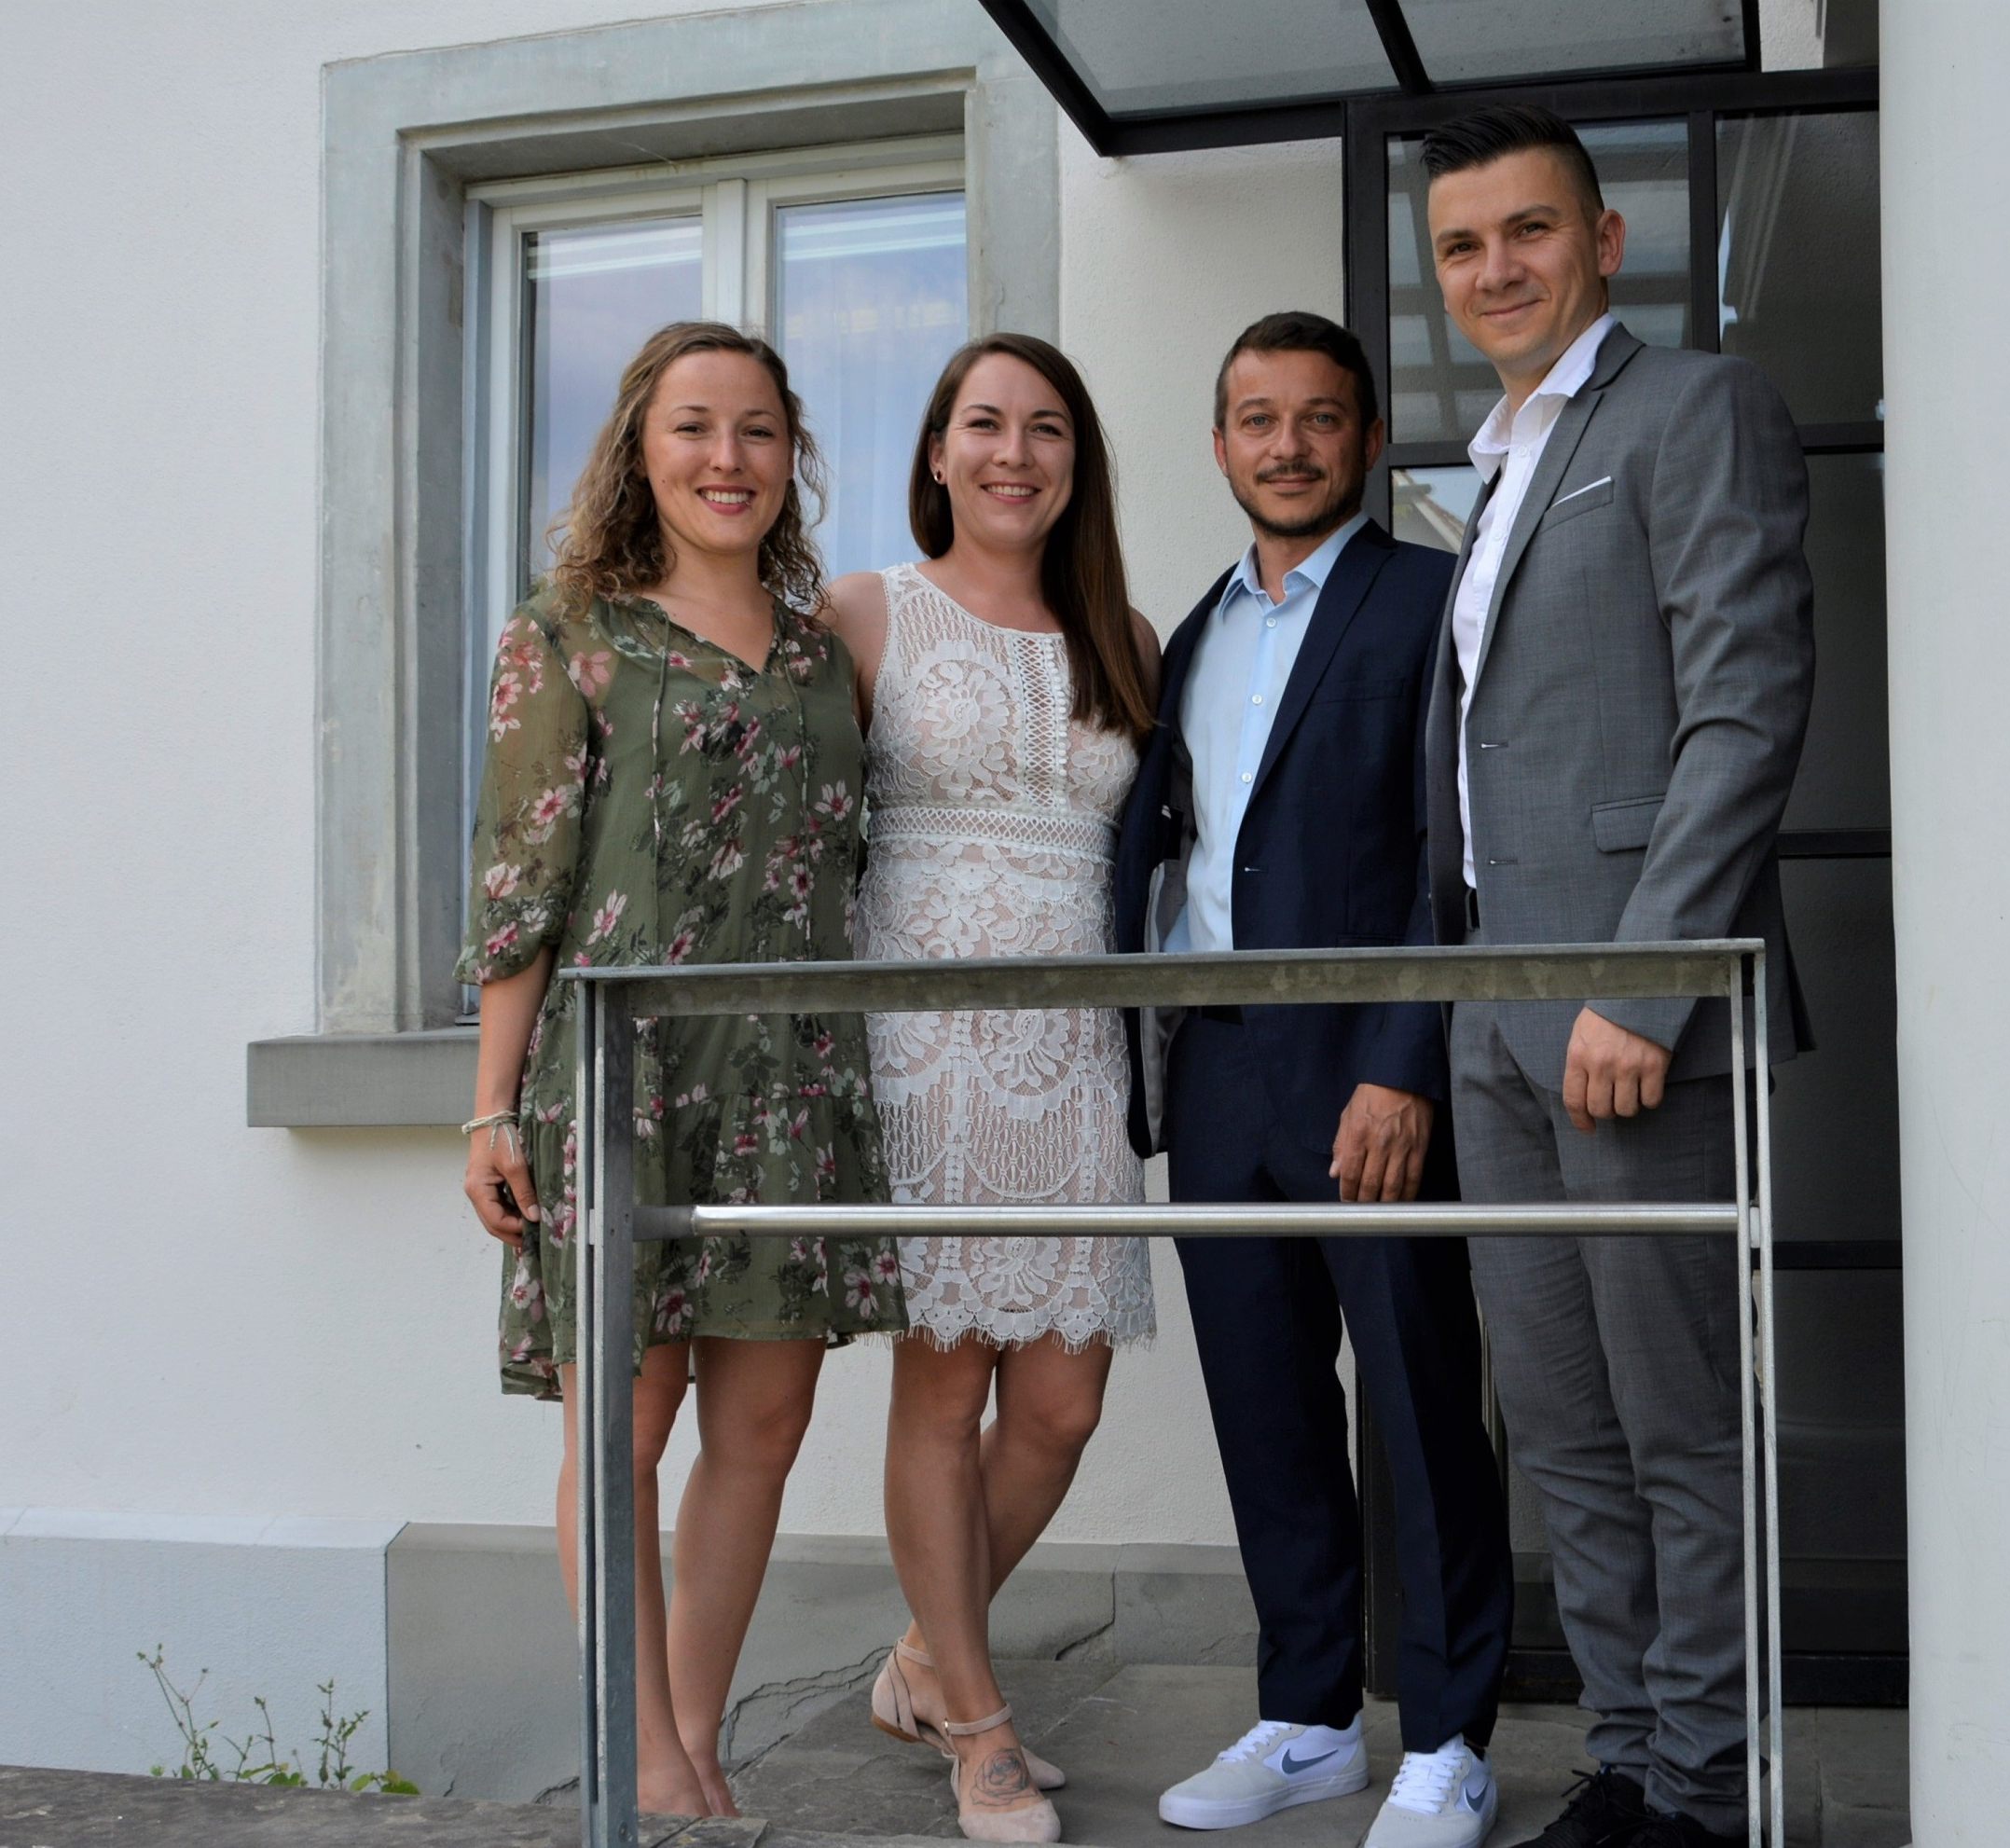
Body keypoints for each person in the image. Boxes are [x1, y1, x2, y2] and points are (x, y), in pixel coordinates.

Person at [1419, 105, 1816, 1848]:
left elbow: (1741, 710)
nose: (1494, 268)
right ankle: (1633, 1756)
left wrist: (1640, 987)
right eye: (1460, 246)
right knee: (1564, 1432)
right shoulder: (1491, 459)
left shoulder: (1691, 409)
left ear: (1604, 241)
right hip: (1492, 1013)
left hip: (1625, 1007)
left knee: (1677, 1432)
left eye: (1526, 232)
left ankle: (1714, 1787)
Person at [457, 321, 903, 1820]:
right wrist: (489, 1105)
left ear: (792, 456)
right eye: (697, 426)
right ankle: (640, 1759)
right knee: (624, 1434)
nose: (729, 458)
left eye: (759, 430)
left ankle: (697, 1742)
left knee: (762, 1430)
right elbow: (523, 884)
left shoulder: (821, 645)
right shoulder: (569, 629)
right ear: (642, 448)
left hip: (795, 1080)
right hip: (622, 1088)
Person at [1112, 310, 1511, 1848]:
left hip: (1367, 1068)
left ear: (1363, 436)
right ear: (1219, 443)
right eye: (1256, 418)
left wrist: (1407, 1056)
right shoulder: (1190, 629)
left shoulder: (1432, 597)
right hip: (1217, 1068)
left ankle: (1451, 1735)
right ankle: (1307, 1716)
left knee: (1416, 1402)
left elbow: (1452, 848)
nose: (1286, 443)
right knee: (1263, 1403)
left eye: (1318, 416)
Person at [830, 332, 1161, 1845]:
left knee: (1063, 1397)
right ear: (938, 451)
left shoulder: (1125, 638)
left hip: (1075, 1052)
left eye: (1043, 428)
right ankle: (976, 1723)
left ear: (1075, 460)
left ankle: (917, 1659)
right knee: (945, 1374)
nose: (1012, 452)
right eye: (983, 424)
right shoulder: (862, 612)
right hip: (927, 1048)